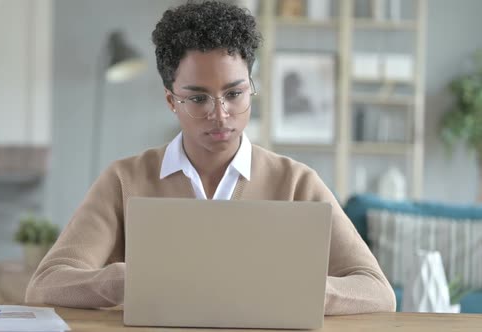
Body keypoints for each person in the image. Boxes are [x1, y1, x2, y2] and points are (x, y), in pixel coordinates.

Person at [25, 1, 396, 315]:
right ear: (171, 100)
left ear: (251, 88)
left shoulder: (296, 182)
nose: (220, 114)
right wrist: (132, 280)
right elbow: (45, 287)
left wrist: (292, 289)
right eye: (199, 98)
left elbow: (378, 293)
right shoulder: (124, 180)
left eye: (234, 94)